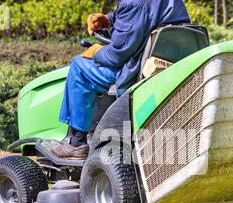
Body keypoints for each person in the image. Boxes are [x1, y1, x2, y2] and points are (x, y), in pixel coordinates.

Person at [51, 0, 190, 159]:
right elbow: (142, 15)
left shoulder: (134, 3)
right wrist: (108, 19)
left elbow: (117, 55)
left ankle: (76, 143)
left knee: (79, 67)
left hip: (134, 70)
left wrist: (96, 52)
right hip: (168, 65)